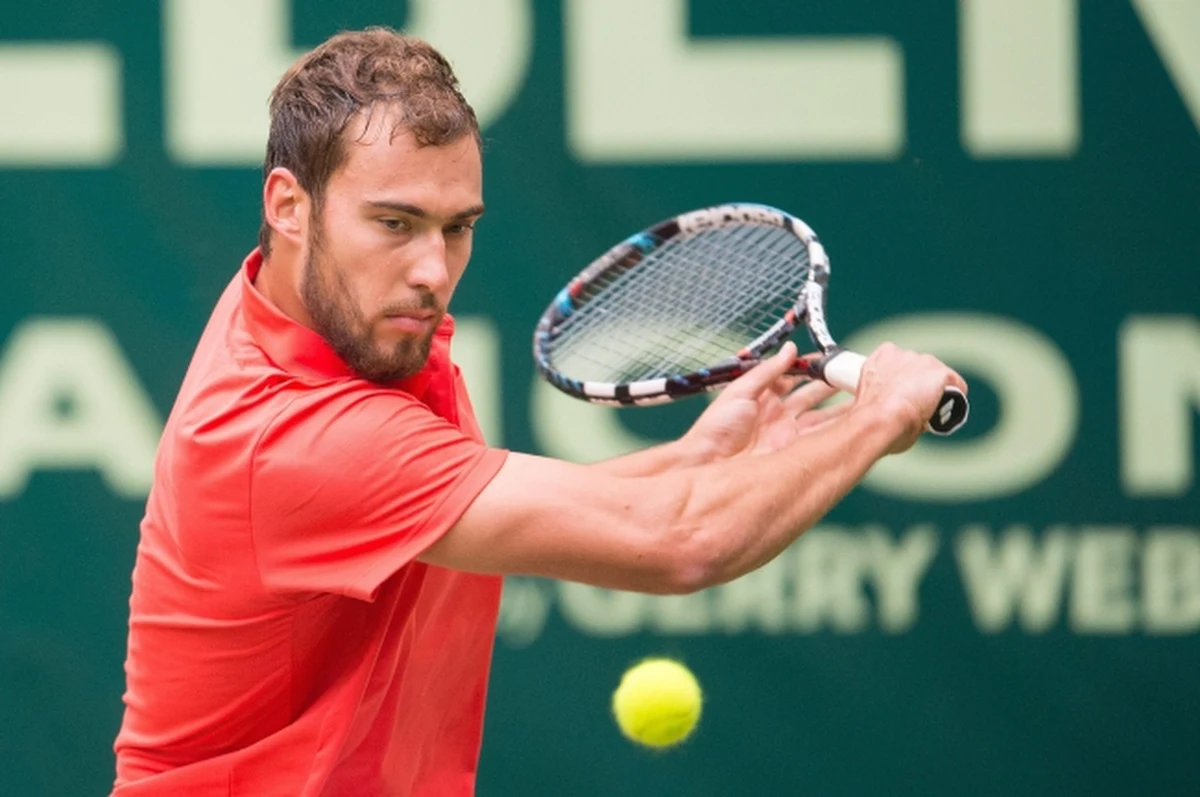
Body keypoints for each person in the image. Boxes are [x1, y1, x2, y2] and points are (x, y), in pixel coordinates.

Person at [112, 26, 966, 797]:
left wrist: (700, 460)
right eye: (395, 222)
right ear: (288, 207)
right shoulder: (292, 436)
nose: (431, 269)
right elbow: (681, 543)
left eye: (456, 227)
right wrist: (876, 420)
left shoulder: (339, 319)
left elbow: (475, 506)